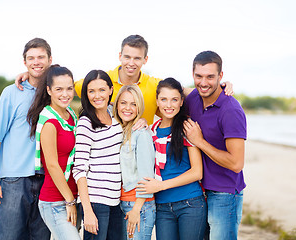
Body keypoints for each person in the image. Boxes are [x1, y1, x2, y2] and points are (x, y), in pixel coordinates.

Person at [15, 35, 233, 126]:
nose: (131, 62)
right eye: (127, 56)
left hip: (138, 159)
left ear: (145, 59)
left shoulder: (154, 85)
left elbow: (185, 92)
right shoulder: (101, 81)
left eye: (137, 58)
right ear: (120, 56)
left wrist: (220, 89)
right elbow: (62, 84)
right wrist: (34, 75)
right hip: (106, 160)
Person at [0, 38, 52, 240]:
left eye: (41, 57)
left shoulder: (55, 93)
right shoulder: (12, 92)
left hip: (46, 181)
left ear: (50, 60)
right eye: (31, 58)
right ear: (24, 62)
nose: (36, 62)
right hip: (14, 180)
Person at [184, 51, 247, 240]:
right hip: (197, 191)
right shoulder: (193, 98)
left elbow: (236, 163)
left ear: (221, 76)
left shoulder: (231, 110)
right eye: (199, 76)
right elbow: (166, 90)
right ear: (192, 74)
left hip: (224, 193)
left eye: (210, 77)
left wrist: (200, 142)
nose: (203, 83)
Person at [137, 78, 207, 240]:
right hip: (162, 207)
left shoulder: (187, 128)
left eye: (174, 99)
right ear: (157, 101)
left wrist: (160, 186)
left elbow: (197, 172)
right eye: (164, 99)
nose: (169, 105)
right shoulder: (150, 131)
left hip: (190, 203)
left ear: (182, 101)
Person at [27, 65, 81, 240]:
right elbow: (52, 165)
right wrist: (70, 201)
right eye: (59, 89)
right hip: (55, 202)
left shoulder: (71, 115)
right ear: (49, 90)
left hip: (72, 197)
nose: (65, 94)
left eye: (69, 89)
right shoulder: (50, 122)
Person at [72, 70, 124, 240]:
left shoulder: (115, 114)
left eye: (102, 90)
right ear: (86, 94)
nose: (97, 96)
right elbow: (79, 169)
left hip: (115, 200)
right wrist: (87, 210)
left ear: (110, 90)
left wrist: (142, 121)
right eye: (91, 91)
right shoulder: (86, 123)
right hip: (95, 200)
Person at [113, 85, 156, 240]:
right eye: (123, 103)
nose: (128, 108)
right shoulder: (119, 131)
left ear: (139, 107)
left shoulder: (141, 134)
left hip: (138, 205)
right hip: (122, 203)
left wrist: (137, 209)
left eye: (134, 104)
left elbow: (147, 175)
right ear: (116, 104)